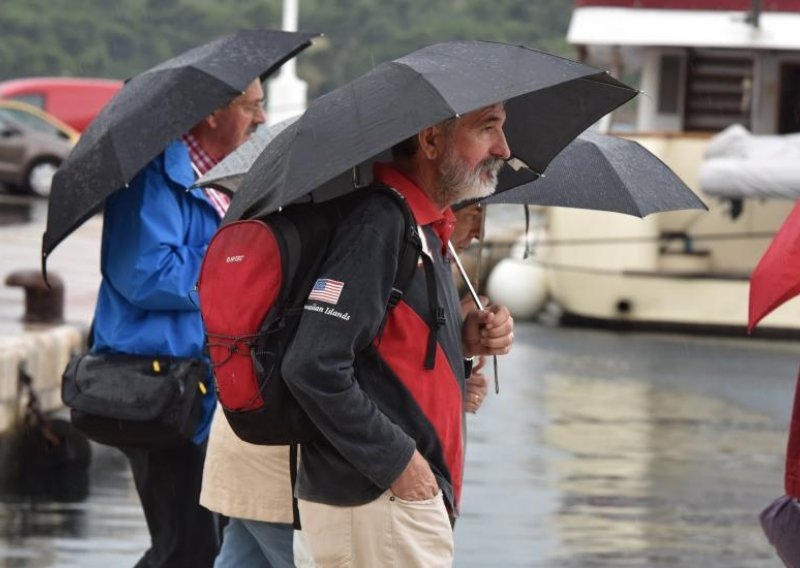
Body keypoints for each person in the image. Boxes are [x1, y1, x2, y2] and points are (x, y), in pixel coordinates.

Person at [281, 102, 515, 567]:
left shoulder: (422, 228)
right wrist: (402, 466)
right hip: (376, 503)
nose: (504, 149)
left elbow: (383, 356)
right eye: (487, 128)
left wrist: (464, 343)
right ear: (430, 141)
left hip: (388, 506)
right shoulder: (381, 224)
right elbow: (312, 363)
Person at [90, 78, 265, 567]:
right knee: (187, 548)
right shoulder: (154, 178)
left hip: (210, 387)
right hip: (165, 387)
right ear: (211, 114)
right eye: (252, 106)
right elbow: (145, 273)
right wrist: (233, 265)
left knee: (213, 543)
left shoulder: (222, 179)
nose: (262, 118)